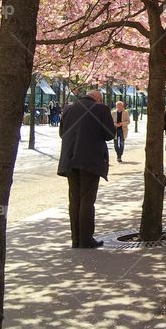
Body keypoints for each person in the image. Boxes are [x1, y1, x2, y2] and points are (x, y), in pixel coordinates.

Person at [58, 90, 116, 249]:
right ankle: (86, 239)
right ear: (98, 99)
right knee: (87, 200)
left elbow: (62, 133)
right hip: (90, 160)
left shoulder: (69, 109)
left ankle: (75, 239)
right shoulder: (101, 109)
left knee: (74, 200)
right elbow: (110, 134)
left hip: (69, 160)